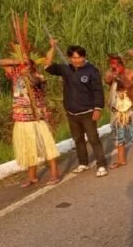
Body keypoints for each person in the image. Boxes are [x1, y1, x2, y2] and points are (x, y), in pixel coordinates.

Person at [44, 39, 108, 177]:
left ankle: (101, 164)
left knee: (93, 138)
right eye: (74, 57)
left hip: (88, 111)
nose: (77, 60)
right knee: (78, 139)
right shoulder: (66, 69)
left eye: (79, 57)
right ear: (69, 58)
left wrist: (98, 108)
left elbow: (98, 90)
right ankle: (83, 163)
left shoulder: (92, 70)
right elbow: (47, 64)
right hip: (72, 112)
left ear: (84, 57)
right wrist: (53, 47)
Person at [0, 57, 60, 187]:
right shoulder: (16, 75)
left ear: (32, 66)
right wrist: (18, 61)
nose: (25, 67)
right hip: (21, 119)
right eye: (23, 66)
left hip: (37, 118)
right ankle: (32, 177)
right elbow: (1, 62)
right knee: (28, 148)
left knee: (48, 147)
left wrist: (28, 73)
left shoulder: (38, 76)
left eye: (27, 65)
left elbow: (35, 82)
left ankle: (54, 174)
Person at [104, 54, 133, 171]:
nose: (113, 67)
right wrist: (114, 76)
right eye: (111, 64)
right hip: (117, 109)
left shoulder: (130, 73)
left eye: (116, 64)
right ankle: (121, 159)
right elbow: (107, 79)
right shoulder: (110, 74)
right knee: (119, 136)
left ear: (121, 64)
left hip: (130, 109)